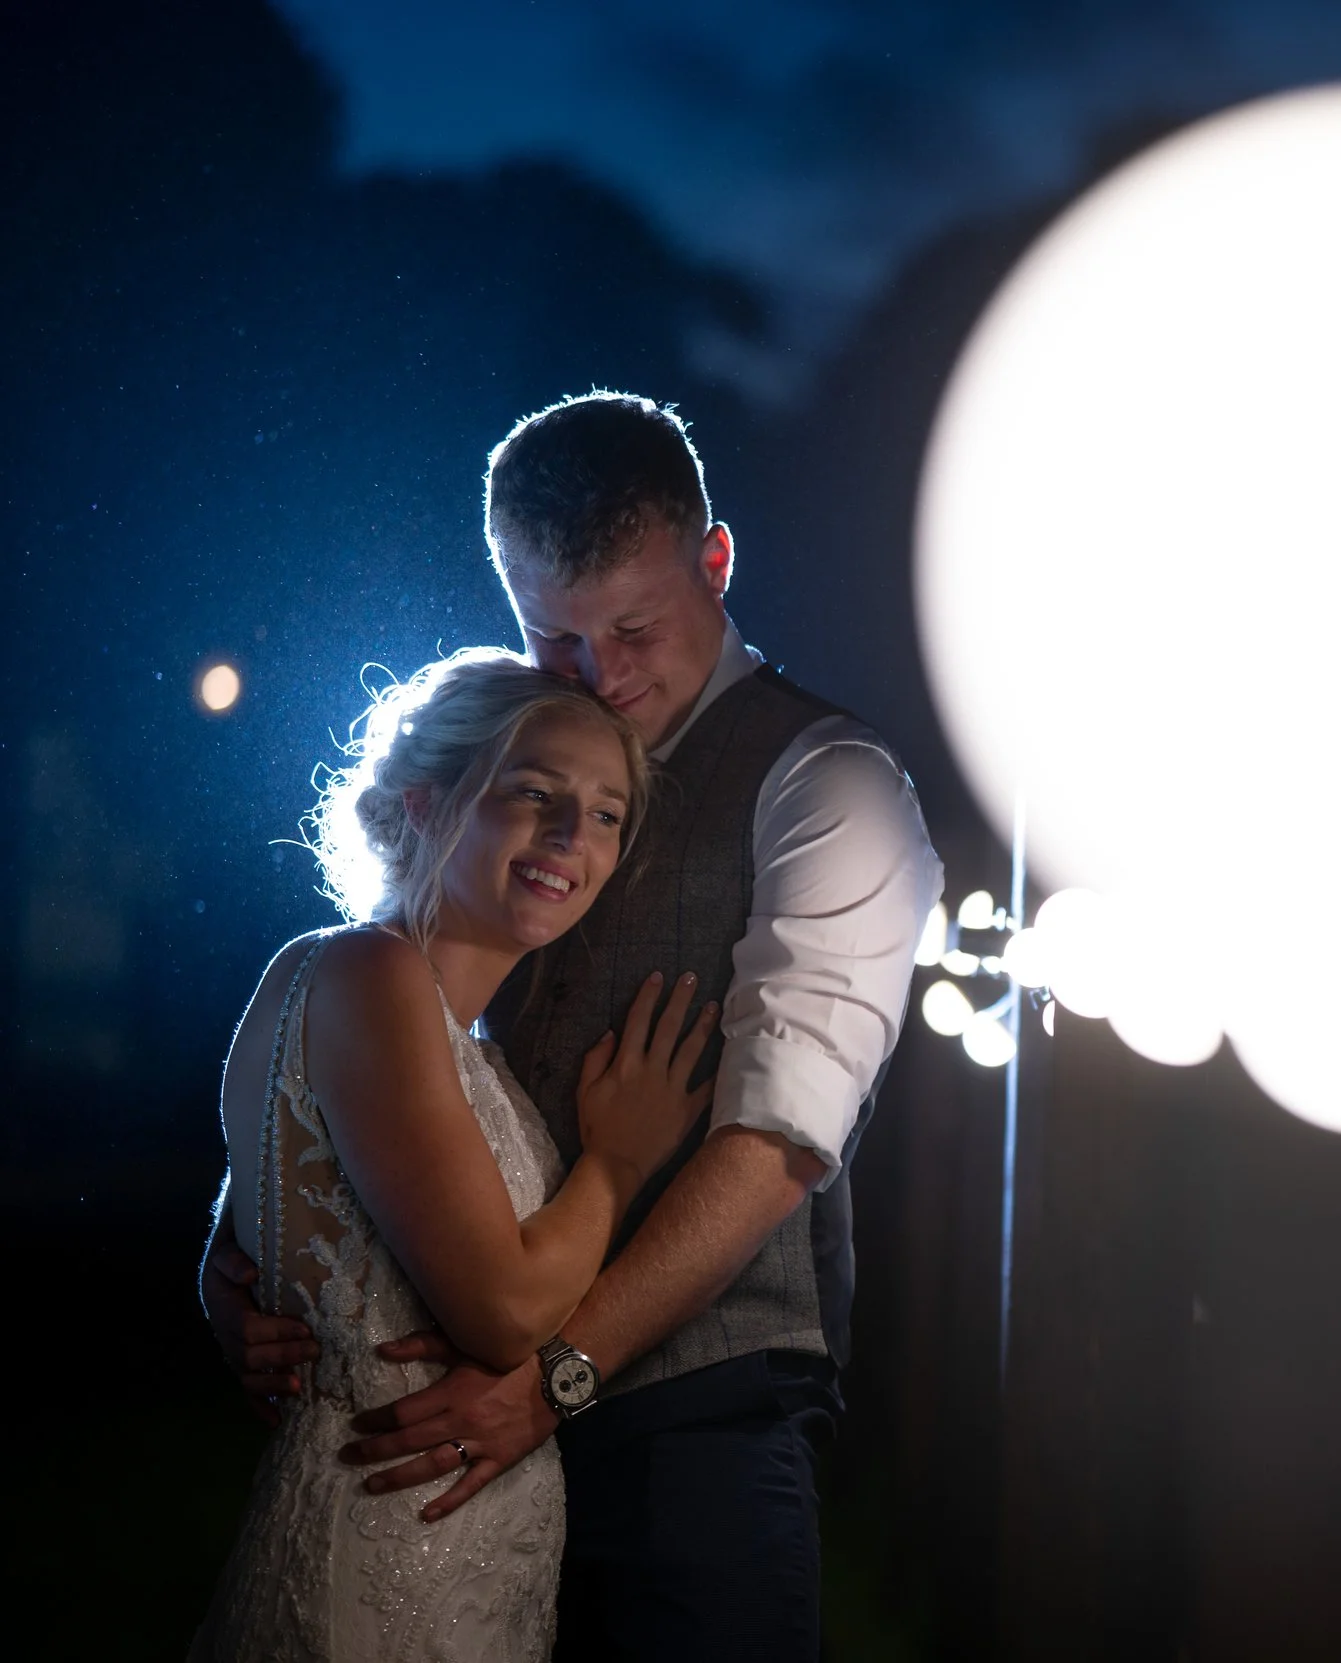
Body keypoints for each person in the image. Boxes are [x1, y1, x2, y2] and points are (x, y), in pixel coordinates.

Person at [202, 392, 942, 1661]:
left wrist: (552, 1378)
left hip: (692, 1426)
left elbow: (781, 1140)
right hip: (461, 1437)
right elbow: (351, 1053)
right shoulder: (512, 763)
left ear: (715, 561)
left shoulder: (833, 784)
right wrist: (240, 1248)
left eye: (634, 628)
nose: (601, 673)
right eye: (554, 634)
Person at [194, 650, 716, 1661]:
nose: (571, 836)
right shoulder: (369, 970)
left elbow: (284, 1204)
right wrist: (616, 1163)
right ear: (425, 801)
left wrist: (218, 1271)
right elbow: (504, 1311)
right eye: (535, 793)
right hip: (384, 1567)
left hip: (459, 1571)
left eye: (607, 813)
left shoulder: (446, 1036)